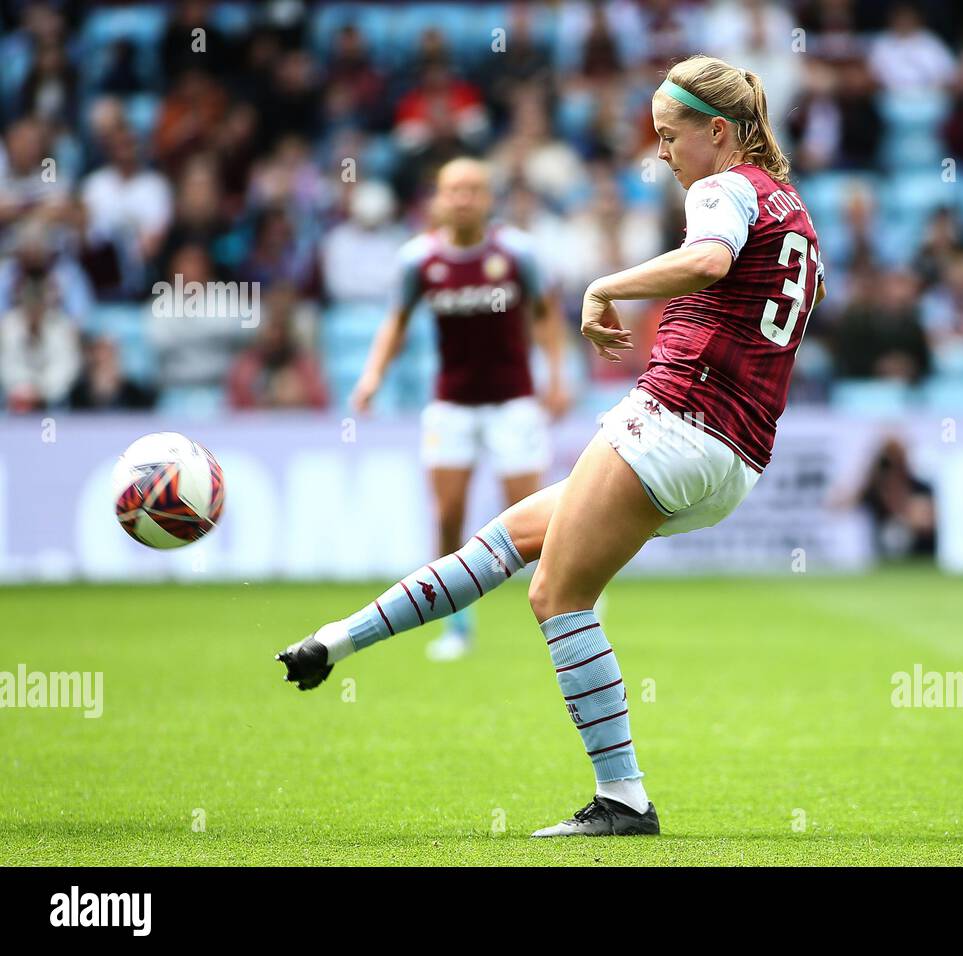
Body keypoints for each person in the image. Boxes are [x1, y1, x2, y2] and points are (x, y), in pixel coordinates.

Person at [276, 55, 825, 838]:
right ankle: (334, 642)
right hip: (731, 456)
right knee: (506, 542)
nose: (662, 154)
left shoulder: (723, 187)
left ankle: (623, 799)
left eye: (670, 137)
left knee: (555, 596)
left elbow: (709, 259)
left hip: (676, 420)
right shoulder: (793, 209)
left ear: (718, 131)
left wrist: (603, 286)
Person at [349, 157, 571, 661]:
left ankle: (572, 607)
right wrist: (372, 376)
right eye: (454, 189)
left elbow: (546, 316)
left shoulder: (517, 253)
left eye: (473, 189)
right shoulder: (419, 260)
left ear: (488, 198)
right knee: (448, 517)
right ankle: (457, 627)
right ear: (439, 198)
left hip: (514, 402)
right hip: (451, 404)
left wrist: (557, 377)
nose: (464, 198)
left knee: (536, 520)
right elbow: (396, 322)